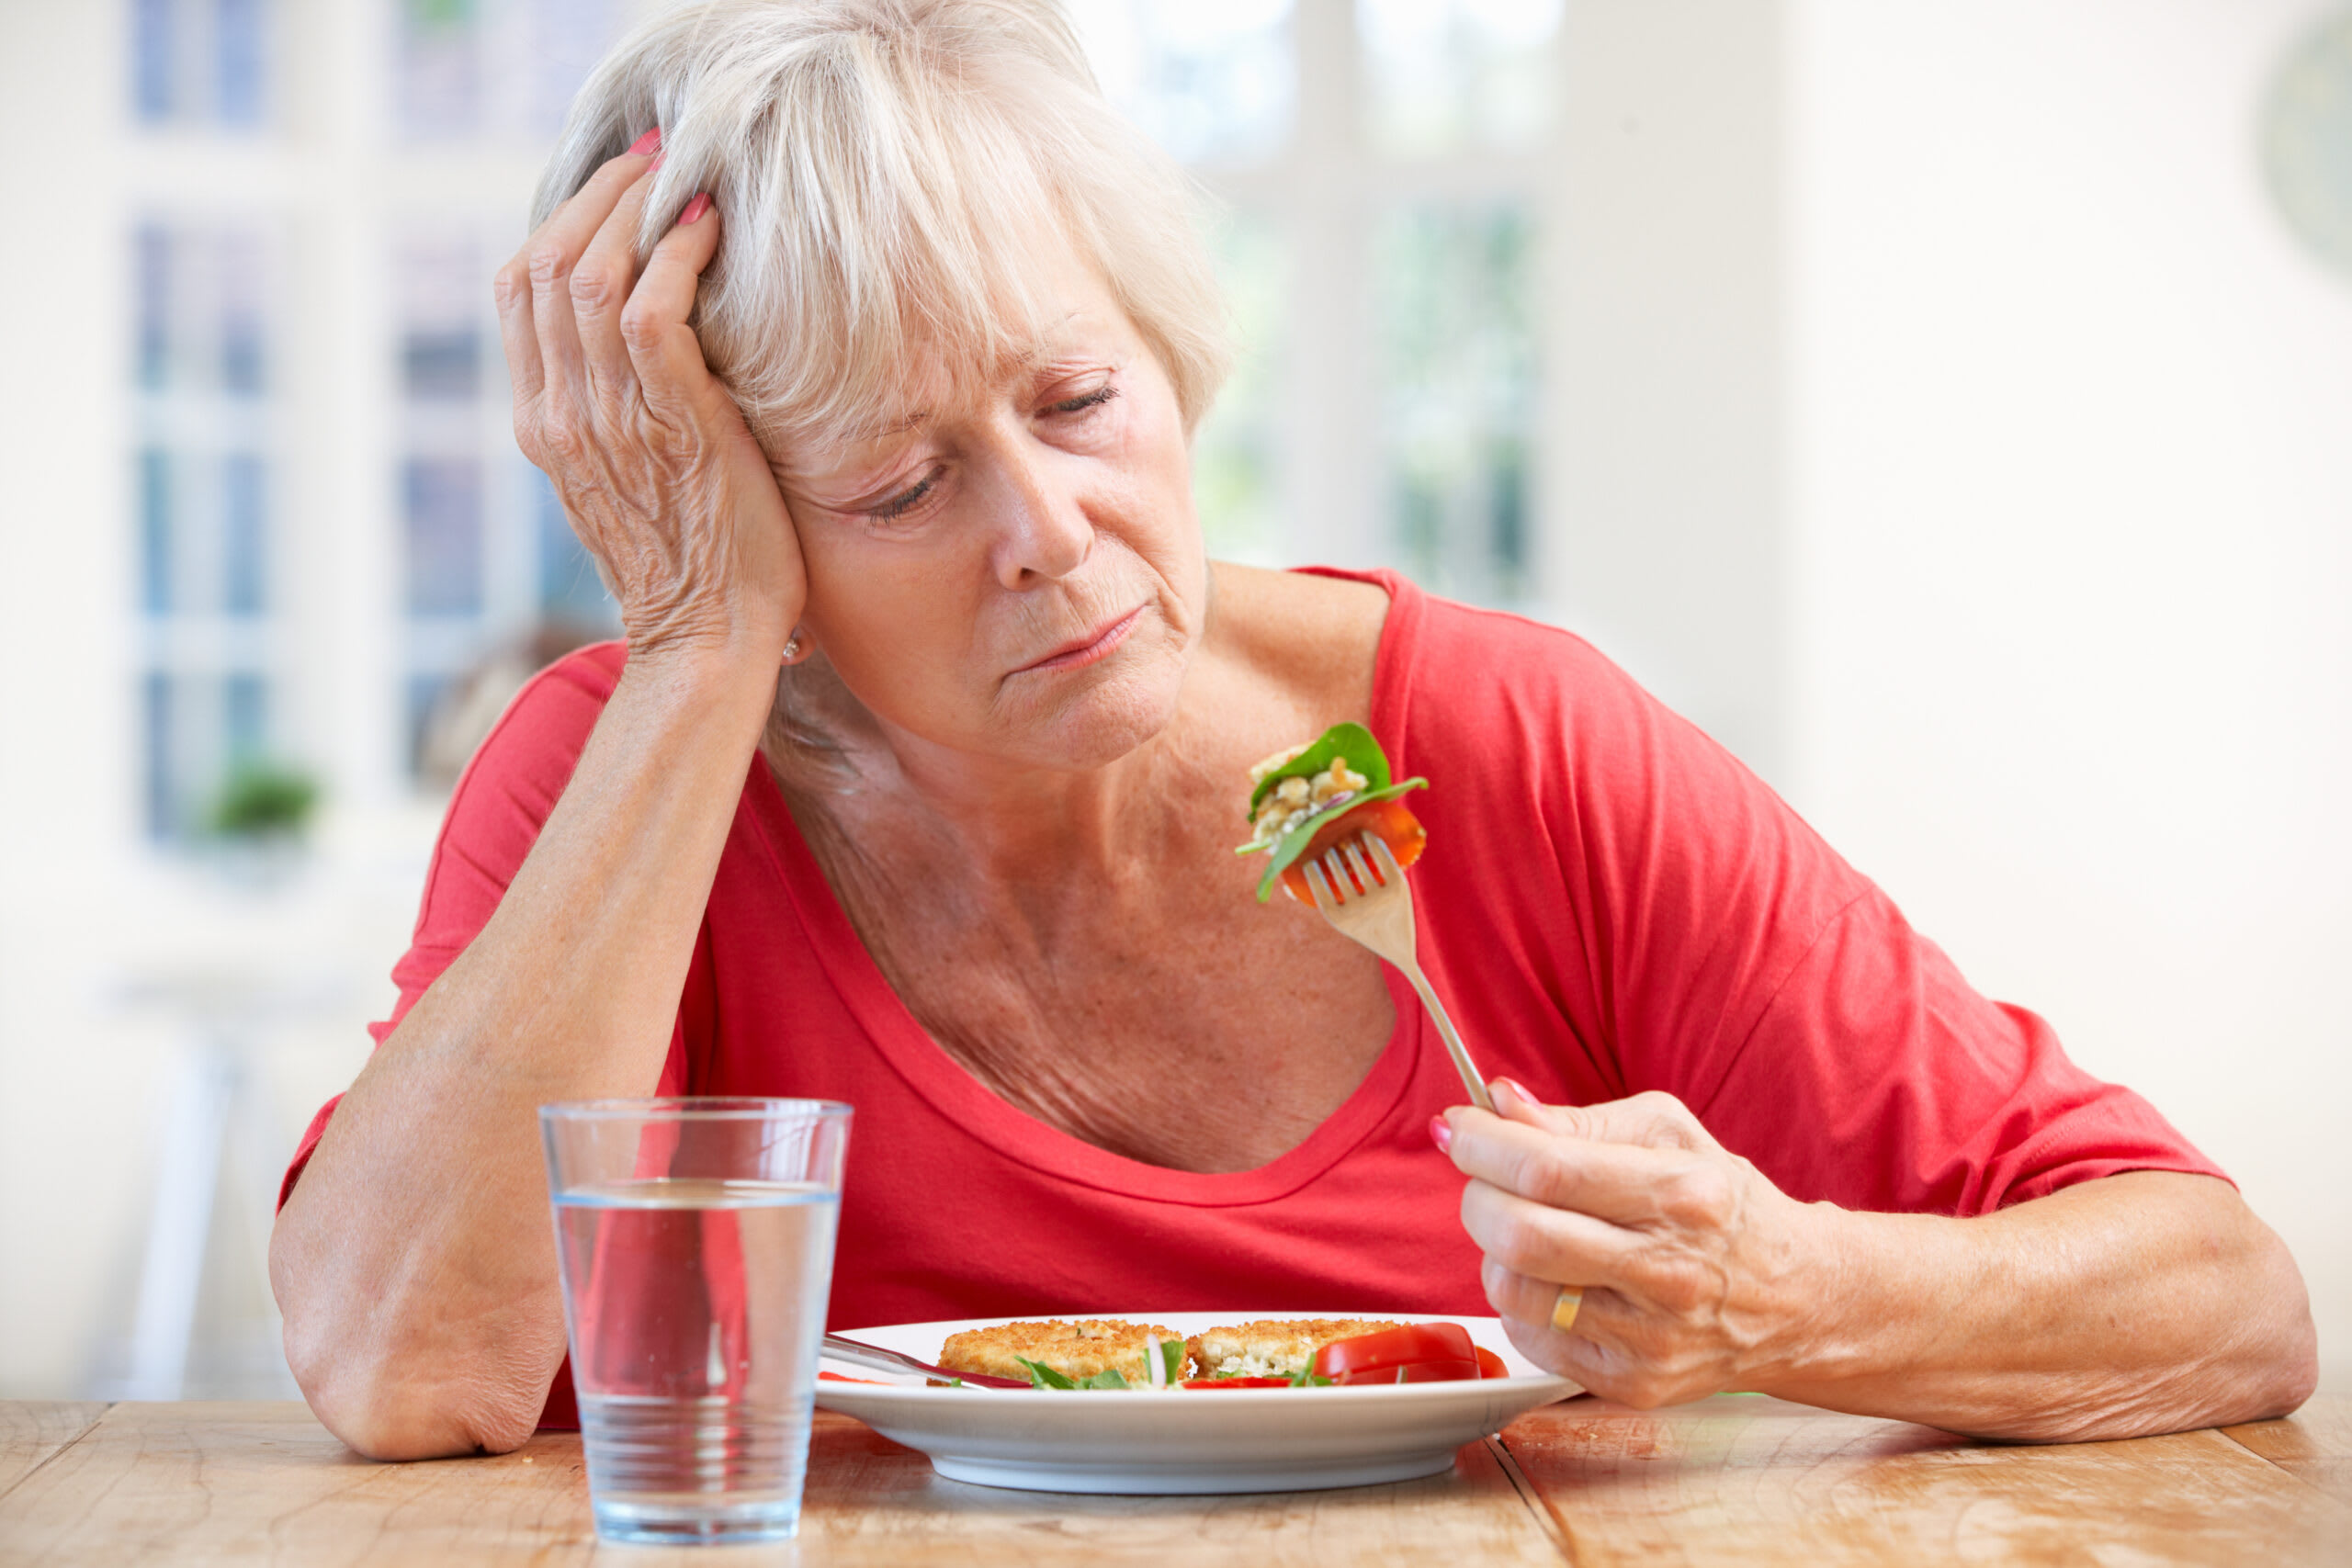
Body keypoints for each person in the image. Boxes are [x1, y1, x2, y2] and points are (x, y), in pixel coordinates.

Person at [267, 0, 2315, 1461]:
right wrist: (704, 641)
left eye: (1075, 402)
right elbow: (399, 1367)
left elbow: (2221, 1297)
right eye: (899, 489)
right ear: (732, 517)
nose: (1051, 535)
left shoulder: (1505, 746)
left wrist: (1791, 1291)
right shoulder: (626, 769)